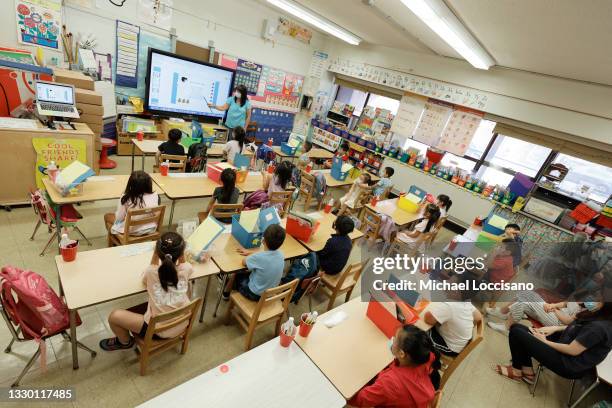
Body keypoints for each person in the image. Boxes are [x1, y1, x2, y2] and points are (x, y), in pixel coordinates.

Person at [99, 232, 193, 350]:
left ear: (158, 253)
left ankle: (125, 342)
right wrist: (179, 252)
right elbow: (184, 264)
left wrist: (155, 253)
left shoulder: (151, 272)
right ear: (181, 254)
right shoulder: (187, 269)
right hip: (182, 323)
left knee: (114, 316)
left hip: (159, 331)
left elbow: (147, 276)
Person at [494, 302, 612, 385]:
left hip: (567, 364)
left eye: (599, 300)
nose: (592, 300)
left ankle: (516, 372)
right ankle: (528, 372)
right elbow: (576, 326)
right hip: (564, 344)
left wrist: (544, 341)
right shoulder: (597, 317)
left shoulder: (599, 328)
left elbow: (572, 350)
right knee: (520, 328)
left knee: (516, 332)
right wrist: (554, 328)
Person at [348, 325, 440, 408]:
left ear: (401, 354)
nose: (392, 340)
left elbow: (362, 400)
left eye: (395, 339)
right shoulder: (426, 358)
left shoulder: (389, 383)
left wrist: (347, 395)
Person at [223, 224, 286, 301]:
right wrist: (251, 253)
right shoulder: (281, 254)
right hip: (269, 294)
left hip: (254, 294)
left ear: (263, 240)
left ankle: (225, 294)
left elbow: (244, 262)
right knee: (252, 271)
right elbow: (264, 257)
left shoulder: (259, 257)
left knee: (237, 272)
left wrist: (251, 255)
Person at [424, 277, 482, 356]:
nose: (446, 281)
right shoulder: (466, 301)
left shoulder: (450, 305)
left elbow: (428, 319)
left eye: (450, 281)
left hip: (449, 347)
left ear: (455, 291)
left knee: (419, 331)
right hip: (458, 344)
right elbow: (478, 316)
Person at [486, 291, 582, 336]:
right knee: (525, 295)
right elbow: (565, 303)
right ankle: (503, 313)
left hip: (557, 321)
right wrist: (553, 305)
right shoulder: (589, 298)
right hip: (555, 311)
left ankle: (506, 326)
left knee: (524, 301)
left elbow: (568, 321)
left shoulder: (589, 310)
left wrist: (554, 309)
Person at [104, 171, 159, 236]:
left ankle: (115, 242)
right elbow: (156, 213)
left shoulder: (126, 198)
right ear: (149, 184)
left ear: (130, 185)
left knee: (107, 216)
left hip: (131, 231)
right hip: (150, 228)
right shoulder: (154, 195)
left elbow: (119, 218)